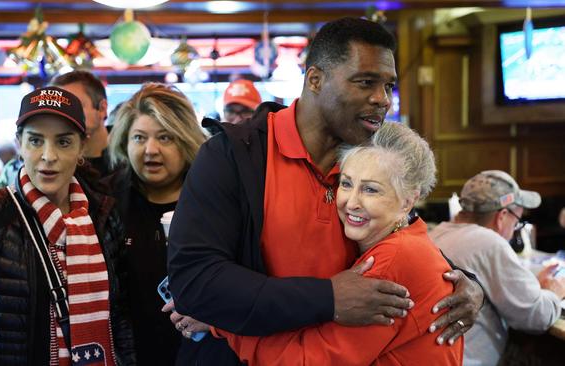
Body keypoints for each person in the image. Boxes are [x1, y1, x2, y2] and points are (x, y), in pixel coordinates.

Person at [167, 16, 484, 365]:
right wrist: (327, 298)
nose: (382, 99)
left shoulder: (369, 160)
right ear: (315, 79)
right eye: (366, 82)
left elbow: (399, 240)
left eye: (388, 86)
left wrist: (462, 281)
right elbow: (195, 280)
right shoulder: (233, 155)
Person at [216, 122, 463, 365]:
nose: (350, 202)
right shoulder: (405, 243)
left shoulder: (395, 257)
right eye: (346, 184)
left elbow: (305, 361)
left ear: (409, 201)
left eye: (371, 190)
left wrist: (222, 322)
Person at [0, 86, 136, 365]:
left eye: (64, 142)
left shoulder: (103, 214)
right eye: (35, 141)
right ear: (19, 143)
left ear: (82, 146)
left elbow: (119, 315)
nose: (48, 156)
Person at [106, 82, 208, 365]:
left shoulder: (213, 199)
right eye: (139, 138)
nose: (150, 150)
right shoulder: (106, 204)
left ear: (186, 141)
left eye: (165, 138)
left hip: (201, 351)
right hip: (130, 352)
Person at [430, 170, 565, 366]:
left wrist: (533, 286)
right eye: (517, 222)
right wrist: (554, 293)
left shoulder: (437, 233)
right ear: (502, 216)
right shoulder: (488, 242)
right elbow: (537, 317)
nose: (514, 230)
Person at [50, 70, 114, 177]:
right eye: (57, 108)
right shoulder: (53, 166)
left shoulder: (130, 156)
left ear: (102, 109)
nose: (64, 115)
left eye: (74, 106)